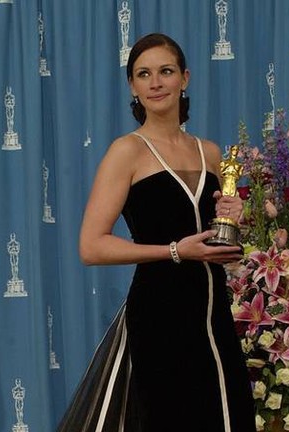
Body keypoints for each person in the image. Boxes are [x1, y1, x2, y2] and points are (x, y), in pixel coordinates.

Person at [57, 33, 255, 432]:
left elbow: (219, 240)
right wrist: (175, 251)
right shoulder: (126, 151)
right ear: (132, 85)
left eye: (165, 71)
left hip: (214, 317)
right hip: (159, 316)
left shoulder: (211, 153)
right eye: (143, 74)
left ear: (185, 77)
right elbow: (91, 247)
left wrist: (233, 219)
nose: (156, 82)